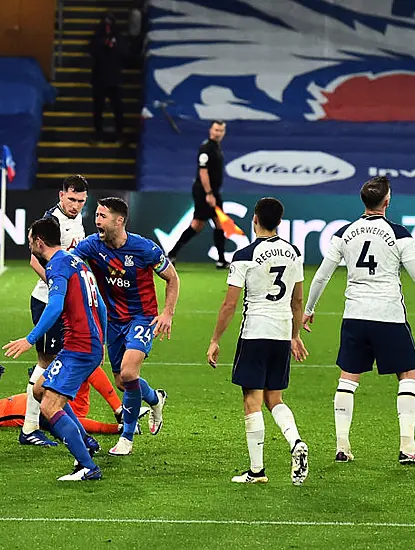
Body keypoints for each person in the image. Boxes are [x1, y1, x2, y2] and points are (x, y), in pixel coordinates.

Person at [304, 176, 415, 465]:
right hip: (388, 316)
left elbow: (322, 275)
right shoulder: (398, 234)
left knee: (348, 378)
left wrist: (309, 308)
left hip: (354, 315)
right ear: (387, 201)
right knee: (409, 376)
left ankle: (342, 446)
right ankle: (408, 447)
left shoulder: (343, 233)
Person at [206, 197, 310, 485]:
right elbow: (297, 298)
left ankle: (257, 471)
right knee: (274, 398)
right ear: (279, 221)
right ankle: (295, 441)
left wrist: (215, 339)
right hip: (280, 332)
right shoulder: (293, 252)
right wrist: (295, 335)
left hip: (255, 332)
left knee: (252, 401)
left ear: (255, 219)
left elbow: (229, 305)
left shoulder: (245, 255)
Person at [73, 197, 178, 456]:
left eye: (102, 216)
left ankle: (126, 438)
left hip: (142, 318)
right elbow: (69, 264)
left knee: (130, 374)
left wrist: (167, 313)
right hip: (112, 321)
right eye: (96, 215)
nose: (97, 220)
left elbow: (172, 278)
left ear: (119, 221)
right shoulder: (91, 246)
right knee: (122, 381)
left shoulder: (144, 249)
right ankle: (154, 398)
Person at [4, 217, 107, 481]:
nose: (29, 245)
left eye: (30, 241)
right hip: (84, 343)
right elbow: (101, 307)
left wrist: (30, 339)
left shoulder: (57, 266)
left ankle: (87, 466)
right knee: (40, 389)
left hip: (80, 346)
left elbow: (54, 305)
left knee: (50, 407)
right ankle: (84, 441)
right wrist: (102, 342)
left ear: (38, 242)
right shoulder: (77, 262)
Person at [21, 174, 89, 447]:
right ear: (61, 195)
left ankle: (46, 418)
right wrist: (58, 283)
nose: (75, 205)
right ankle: (29, 428)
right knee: (46, 362)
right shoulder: (51, 222)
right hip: (48, 299)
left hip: (63, 299)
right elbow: (34, 261)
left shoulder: (76, 219)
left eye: (81, 201)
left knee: (57, 360)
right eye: (71, 199)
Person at [0, 365, 126, 436]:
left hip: (58, 399)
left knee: (87, 367)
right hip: (52, 409)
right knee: (71, 421)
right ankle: (117, 428)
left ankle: (119, 409)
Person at [167, 120, 229, 268]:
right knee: (197, 224)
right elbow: (203, 172)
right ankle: (171, 254)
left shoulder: (216, 148)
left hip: (213, 192)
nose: (218, 133)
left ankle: (221, 260)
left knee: (220, 223)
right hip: (204, 192)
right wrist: (209, 193)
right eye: (216, 130)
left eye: (221, 130)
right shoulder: (206, 148)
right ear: (210, 130)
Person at [90, 12, 126, 144]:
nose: (108, 26)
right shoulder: (96, 38)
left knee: (118, 109)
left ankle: (120, 134)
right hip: (99, 78)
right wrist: (103, 43)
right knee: (98, 109)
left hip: (114, 79)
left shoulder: (119, 38)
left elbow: (124, 53)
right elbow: (92, 51)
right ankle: (98, 134)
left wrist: (114, 45)